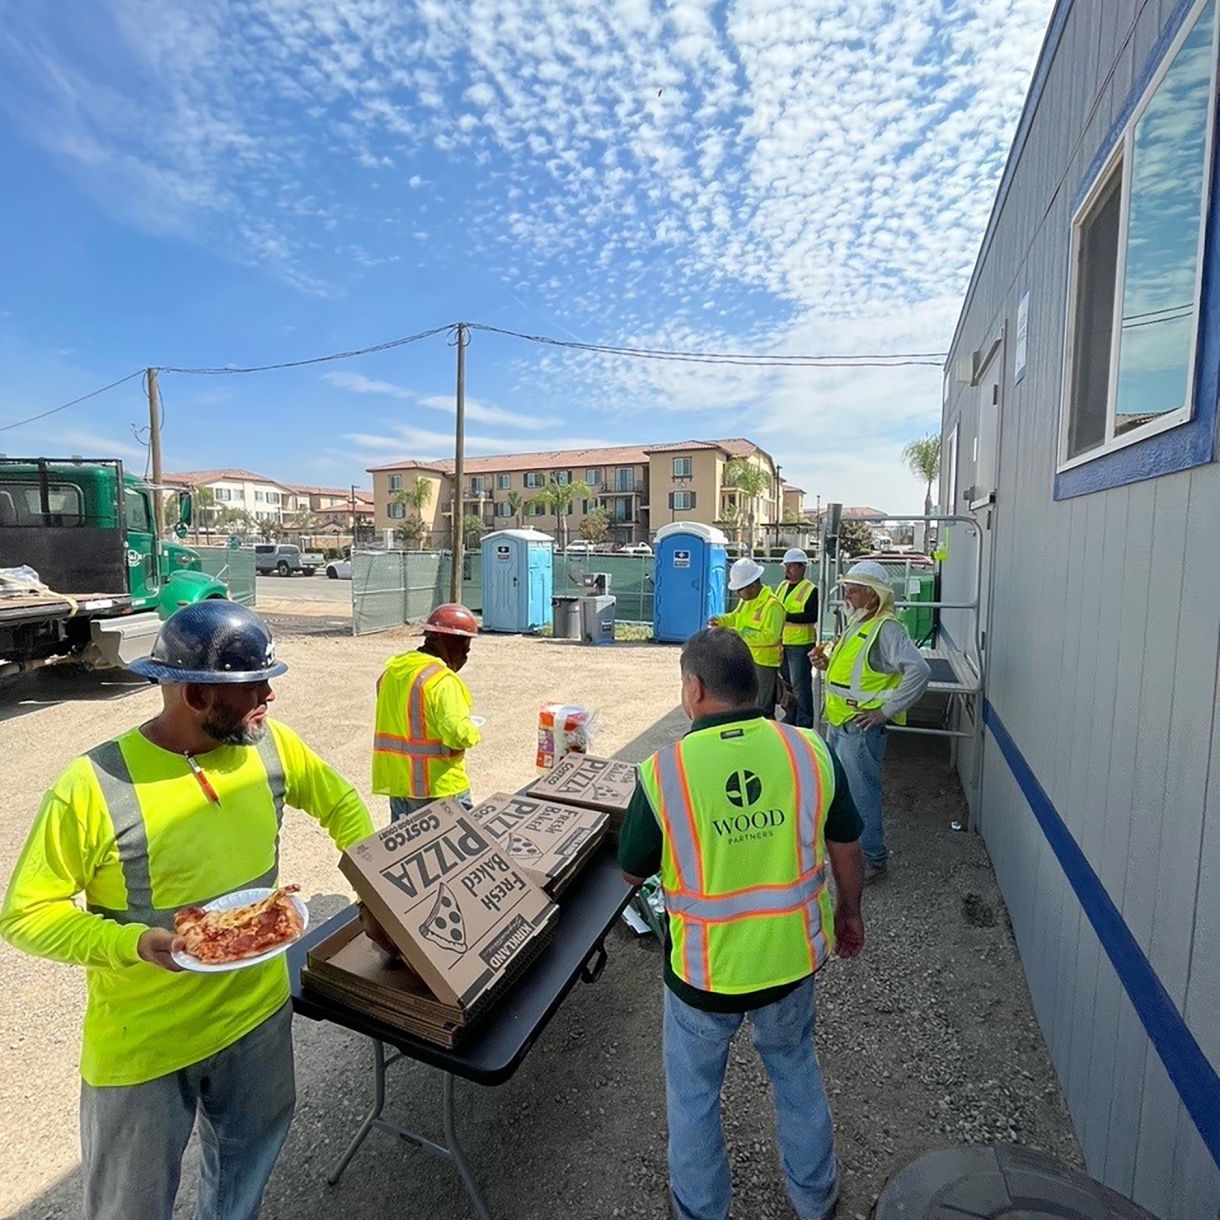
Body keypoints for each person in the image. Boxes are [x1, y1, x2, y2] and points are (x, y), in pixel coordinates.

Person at [0, 600, 374, 1220]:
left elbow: (344, 807)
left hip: (256, 1020)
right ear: (196, 695)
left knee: (241, 1183)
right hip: (145, 1046)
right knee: (129, 1208)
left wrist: (375, 889)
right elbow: (25, 914)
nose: (269, 698)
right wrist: (131, 945)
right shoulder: (93, 783)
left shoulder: (270, 747)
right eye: (253, 685)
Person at [619, 627, 865, 1220]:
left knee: (695, 1096)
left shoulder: (665, 772)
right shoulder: (810, 750)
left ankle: (701, 1210)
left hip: (704, 973)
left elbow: (632, 872)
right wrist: (849, 914)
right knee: (795, 1072)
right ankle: (817, 1200)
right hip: (790, 961)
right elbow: (847, 844)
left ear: (695, 688)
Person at [811, 560, 931, 883]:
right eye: (848, 587)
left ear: (872, 595)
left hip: (860, 728)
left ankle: (873, 860)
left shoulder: (886, 628)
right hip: (841, 723)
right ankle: (852, 856)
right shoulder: (857, 622)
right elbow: (854, 673)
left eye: (853, 589)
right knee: (845, 793)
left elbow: (919, 671)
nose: (847, 593)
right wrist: (825, 662)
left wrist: (886, 710)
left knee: (862, 795)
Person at [373, 602, 481, 820]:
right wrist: (474, 731)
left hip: (400, 787)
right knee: (457, 852)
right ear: (447, 642)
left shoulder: (393, 672)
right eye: (464, 646)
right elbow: (458, 734)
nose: (465, 654)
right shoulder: (442, 680)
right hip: (440, 789)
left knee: (409, 852)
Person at [709, 556, 785, 717]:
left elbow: (770, 637)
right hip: (748, 659)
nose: (737, 593)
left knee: (763, 707)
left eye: (740, 589)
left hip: (764, 663)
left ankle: (769, 736)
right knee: (748, 704)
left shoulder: (773, 606)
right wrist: (721, 620)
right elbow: (736, 617)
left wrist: (739, 634)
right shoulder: (747, 601)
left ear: (753, 585)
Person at [774, 547, 818, 728]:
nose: (787, 571)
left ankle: (804, 724)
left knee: (801, 688)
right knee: (788, 686)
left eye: (791, 567)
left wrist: (786, 617)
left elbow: (811, 616)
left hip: (801, 645)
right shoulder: (782, 586)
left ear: (802, 568)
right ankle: (791, 717)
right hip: (783, 644)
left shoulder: (810, 590)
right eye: (786, 566)